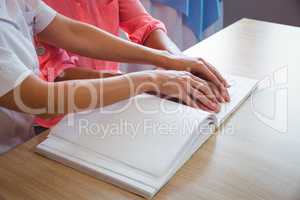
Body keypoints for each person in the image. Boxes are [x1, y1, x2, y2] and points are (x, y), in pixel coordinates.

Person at [0, 0, 229, 152]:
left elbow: (72, 32)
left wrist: (170, 60)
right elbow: (41, 99)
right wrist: (150, 80)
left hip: (22, 140)